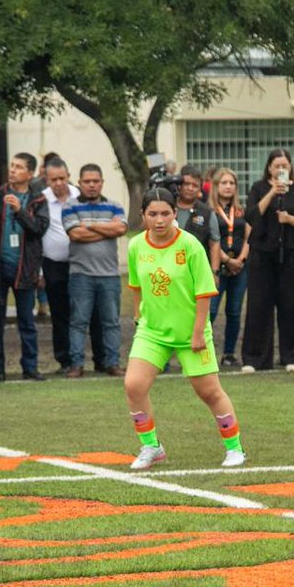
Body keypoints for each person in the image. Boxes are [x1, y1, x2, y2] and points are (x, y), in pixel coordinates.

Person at [123, 188, 246, 470]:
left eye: (165, 213)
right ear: (143, 215)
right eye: (152, 214)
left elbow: (205, 291)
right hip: (152, 331)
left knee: (209, 392)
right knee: (133, 385)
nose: (159, 220)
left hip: (191, 331)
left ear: (174, 213)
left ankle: (235, 448)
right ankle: (151, 446)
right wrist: (138, 320)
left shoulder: (190, 245)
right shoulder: (136, 246)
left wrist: (199, 332)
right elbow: (137, 288)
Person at [241, 148, 294, 372]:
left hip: (292, 255)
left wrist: (290, 219)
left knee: (292, 305)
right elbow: (251, 216)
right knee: (259, 306)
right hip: (263, 254)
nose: (281, 169)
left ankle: (292, 356)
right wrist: (272, 193)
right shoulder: (259, 188)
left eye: (285, 165)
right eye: (277, 165)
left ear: (291, 167)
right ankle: (255, 358)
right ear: (269, 168)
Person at [0, 153, 49, 382]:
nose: (13, 170)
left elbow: (39, 229)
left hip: (24, 268)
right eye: (12, 165)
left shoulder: (38, 200)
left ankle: (30, 368)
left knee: (27, 322)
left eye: (19, 167)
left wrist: (19, 211)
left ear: (30, 174)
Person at [63, 163, 127, 377]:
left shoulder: (115, 206)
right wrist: (107, 229)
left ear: (102, 183)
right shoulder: (69, 206)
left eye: (96, 181)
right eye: (87, 181)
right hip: (81, 275)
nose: (91, 185)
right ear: (80, 183)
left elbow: (121, 229)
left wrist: (88, 225)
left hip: (109, 275)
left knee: (111, 322)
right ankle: (76, 365)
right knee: (78, 322)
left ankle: (112, 363)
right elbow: (75, 235)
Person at [208, 167, 250, 366]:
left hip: (240, 268)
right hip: (218, 266)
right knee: (211, 311)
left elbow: (249, 236)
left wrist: (240, 259)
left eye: (231, 183)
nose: (228, 186)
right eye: (223, 183)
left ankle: (229, 353)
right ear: (216, 186)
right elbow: (211, 240)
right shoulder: (209, 211)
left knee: (234, 311)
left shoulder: (241, 210)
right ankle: (204, 352)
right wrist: (226, 260)